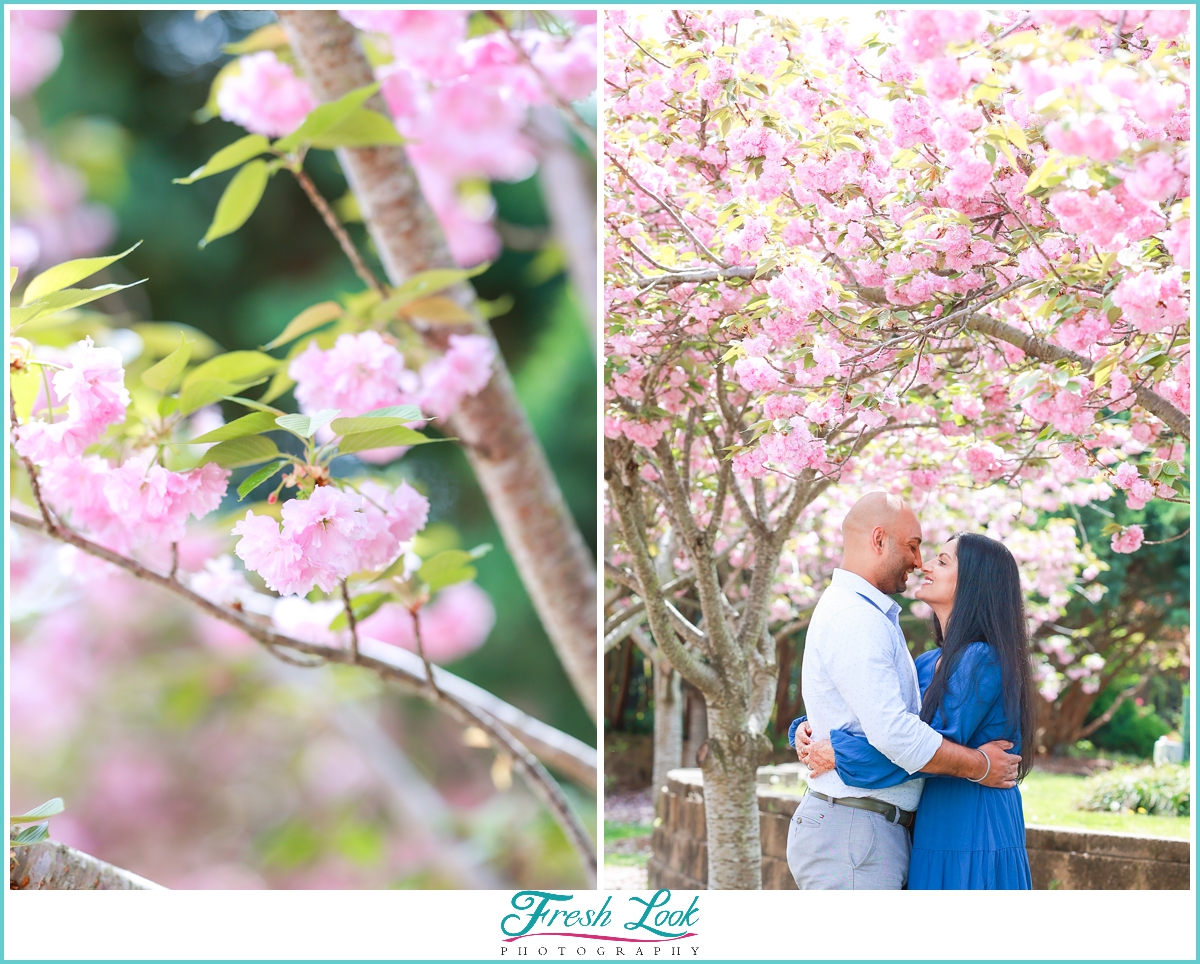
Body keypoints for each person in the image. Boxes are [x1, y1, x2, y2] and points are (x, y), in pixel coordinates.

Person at [785, 493, 1019, 890]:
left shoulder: (979, 660)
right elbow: (901, 737)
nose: (920, 562)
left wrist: (837, 750)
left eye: (939, 560)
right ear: (879, 540)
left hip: (966, 826)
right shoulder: (918, 655)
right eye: (915, 547)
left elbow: (910, 739)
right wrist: (812, 731)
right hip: (894, 825)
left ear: (975, 582)